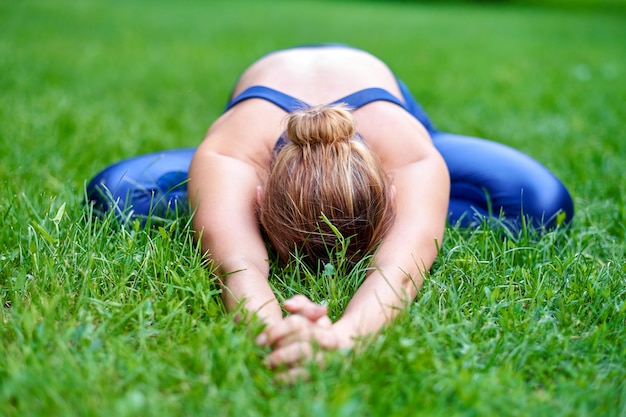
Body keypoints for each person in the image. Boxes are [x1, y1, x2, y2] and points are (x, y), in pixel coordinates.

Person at [86, 44, 574, 375]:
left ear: (394, 192)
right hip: (254, 117)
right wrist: (273, 333)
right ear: (257, 195)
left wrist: (347, 338)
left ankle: (432, 202)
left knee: (544, 206)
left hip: (389, 110)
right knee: (113, 195)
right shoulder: (234, 152)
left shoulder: (411, 153)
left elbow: (397, 272)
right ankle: (212, 195)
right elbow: (240, 269)